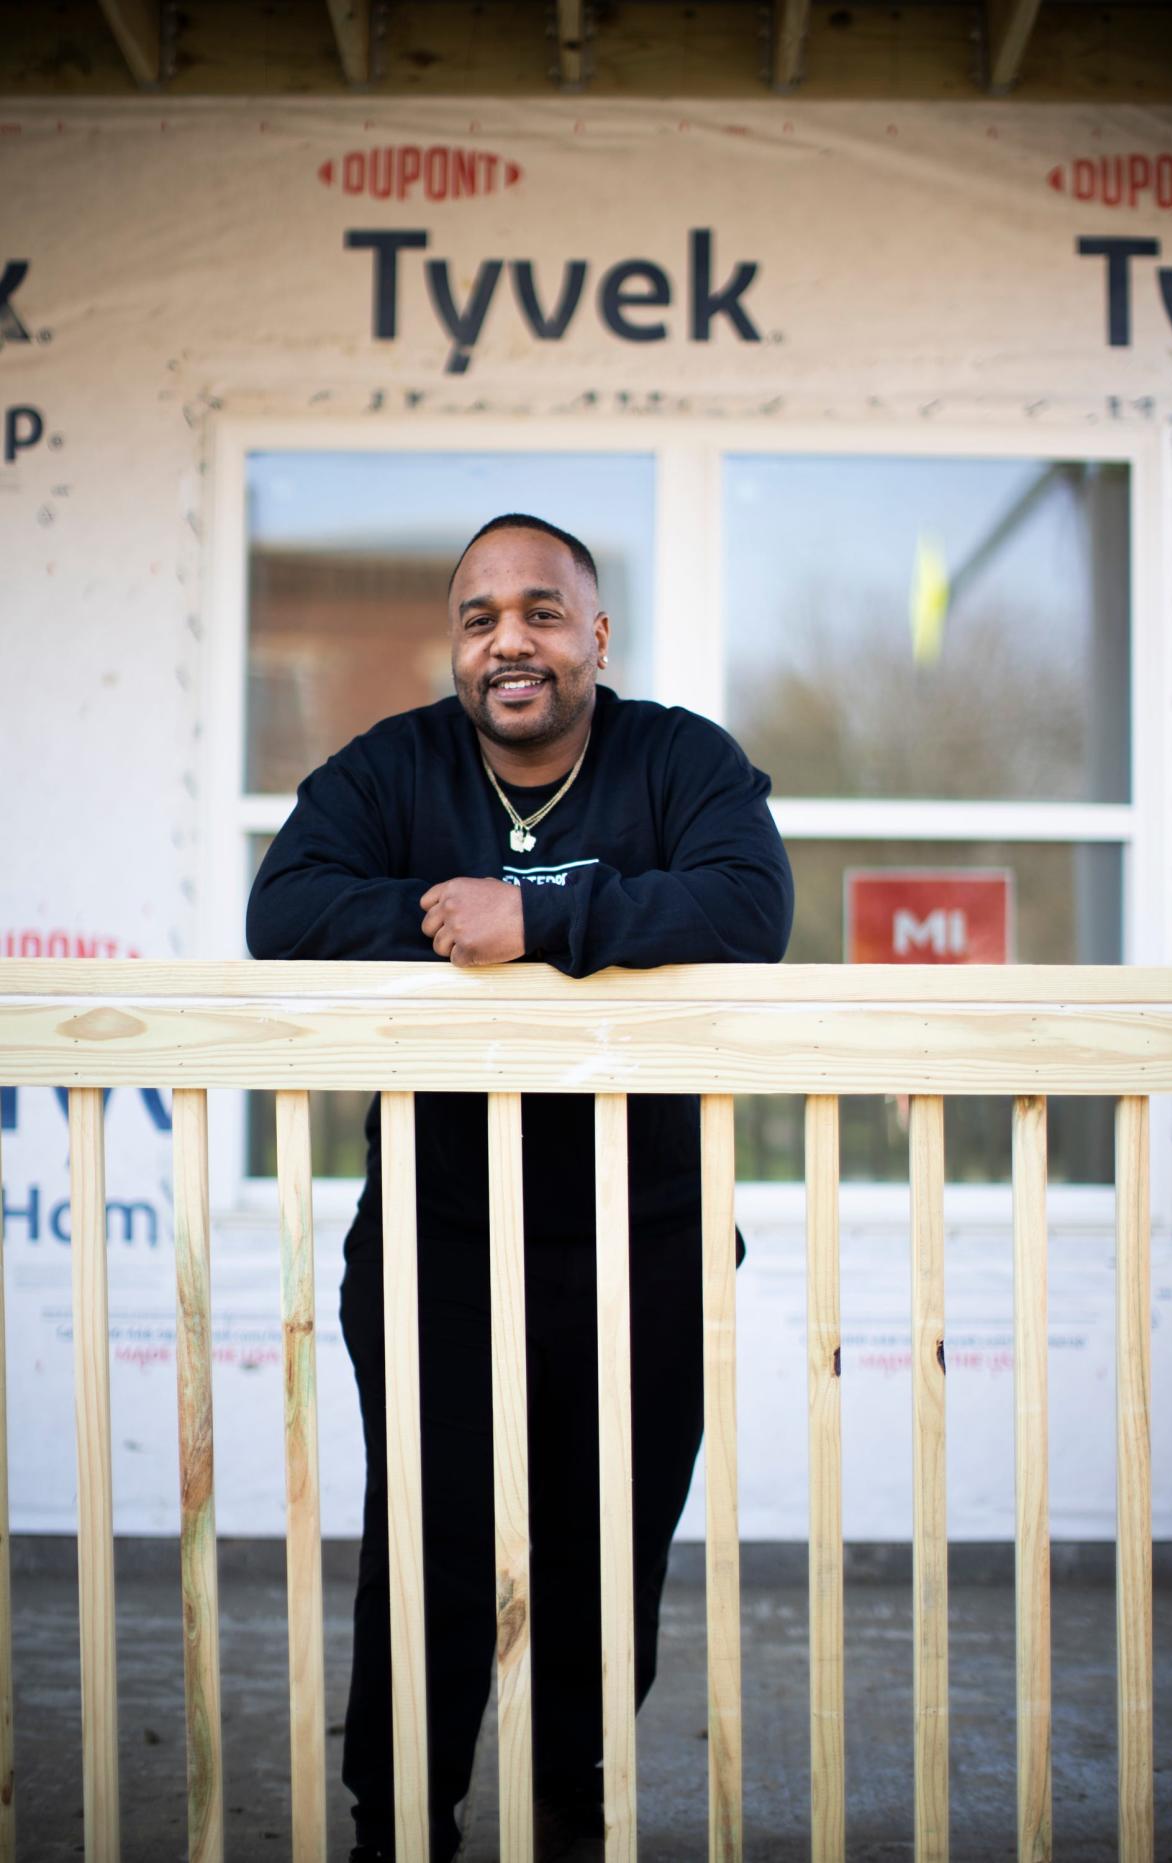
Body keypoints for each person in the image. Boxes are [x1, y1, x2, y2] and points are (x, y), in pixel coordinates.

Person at [246, 513, 793, 1861]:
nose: (511, 640)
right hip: (439, 1239)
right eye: (481, 616)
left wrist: (539, 920)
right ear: (457, 646)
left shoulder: (678, 759)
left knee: (607, 1557)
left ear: (595, 637)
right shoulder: (396, 766)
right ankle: (402, 1825)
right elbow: (288, 911)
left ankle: (571, 1810)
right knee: (425, 1553)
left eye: (542, 613)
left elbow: (745, 906)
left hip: (643, 1239)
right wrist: (463, 920)